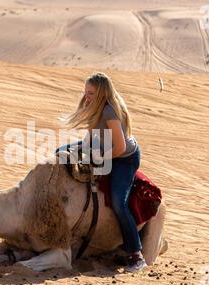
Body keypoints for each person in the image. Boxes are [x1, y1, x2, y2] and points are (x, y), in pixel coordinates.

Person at [61, 72, 146, 273]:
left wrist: (95, 158)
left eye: (91, 93)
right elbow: (91, 135)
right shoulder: (92, 106)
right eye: (86, 92)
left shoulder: (110, 111)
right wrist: (83, 151)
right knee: (61, 153)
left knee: (119, 201)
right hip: (102, 148)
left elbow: (119, 147)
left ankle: (136, 254)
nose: (86, 96)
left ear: (102, 93)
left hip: (124, 158)